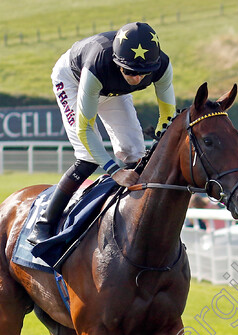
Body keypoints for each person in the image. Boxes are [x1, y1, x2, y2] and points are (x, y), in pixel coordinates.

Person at [28, 22, 176, 244]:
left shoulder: (163, 66)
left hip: (113, 89)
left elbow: (167, 118)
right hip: (74, 80)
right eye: (130, 71)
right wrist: (114, 171)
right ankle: (45, 223)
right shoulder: (97, 65)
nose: (136, 79)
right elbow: (85, 129)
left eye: (144, 74)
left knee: (135, 153)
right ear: (118, 64)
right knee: (87, 157)